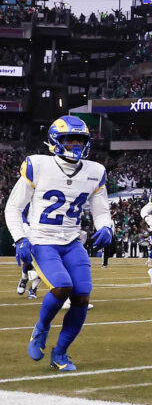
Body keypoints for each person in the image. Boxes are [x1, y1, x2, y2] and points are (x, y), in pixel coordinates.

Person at [3, 116, 114, 371]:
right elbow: (13, 207)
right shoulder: (38, 165)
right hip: (42, 239)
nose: (76, 145)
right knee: (62, 286)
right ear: (56, 140)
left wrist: (106, 226)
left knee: (82, 296)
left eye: (80, 140)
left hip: (72, 240)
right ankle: (41, 328)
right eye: (70, 139)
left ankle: (60, 353)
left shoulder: (95, 171)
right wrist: (20, 238)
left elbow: (101, 211)